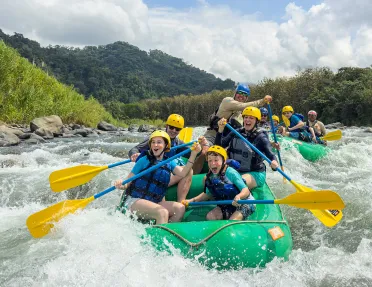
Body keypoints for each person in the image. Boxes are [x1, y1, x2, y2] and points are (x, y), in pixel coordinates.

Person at [115, 130, 201, 224]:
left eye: (159, 142)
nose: (155, 145)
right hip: (133, 201)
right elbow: (127, 182)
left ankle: (163, 230)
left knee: (180, 208)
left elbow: (184, 173)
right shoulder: (144, 160)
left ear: (166, 146)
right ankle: (159, 236)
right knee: (162, 212)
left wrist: (193, 154)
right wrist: (120, 184)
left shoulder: (169, 162)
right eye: (153, 142)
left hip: (154, 201)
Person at [193, 84, 272, 174]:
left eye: (245, 95)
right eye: (240, 93)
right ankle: (192, 175)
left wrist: (270, 143)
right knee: (205, 151)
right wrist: (262, 101)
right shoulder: (227, 101)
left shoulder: (241, 115)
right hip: (213, 136)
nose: (242, 96)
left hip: (225, 141)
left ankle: (225, 176)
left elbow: (249, 131)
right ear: (235, 93)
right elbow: (243, 106)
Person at [128, 114, 206, 201]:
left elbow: (192, 153)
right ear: (166, 126)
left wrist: (202, 147)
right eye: (171, 127)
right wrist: (134, 154)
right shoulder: (156, 138)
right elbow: (134, 149)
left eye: (177, 129)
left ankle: (181, 202)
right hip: (151, 175)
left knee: (188, 171)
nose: (174, 131)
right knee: (187, 172)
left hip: (164, 174)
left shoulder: (178, 143)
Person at [182, 145, 256, 220]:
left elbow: (246, 191)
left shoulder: (231, 173)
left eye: (216, 160)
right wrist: (191, 201)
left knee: (232, 221)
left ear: (224, 161)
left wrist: (238, 197)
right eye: (210, 160)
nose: (213, 163)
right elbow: (207, 194)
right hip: (227, 203)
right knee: (210, 216)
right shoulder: (210, 176)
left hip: (243, 202)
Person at [215, 107, 279, 190]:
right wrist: (220, 129)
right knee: (212, 182)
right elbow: (218, 148)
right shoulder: (236, 132)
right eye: (246, 117)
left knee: (236, 185)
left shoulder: (261, 137)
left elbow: (271, 154)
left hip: (255, 173)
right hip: (236, 171)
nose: (247, 120)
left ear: (257, 121)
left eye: (251, 118)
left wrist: (274, 162)